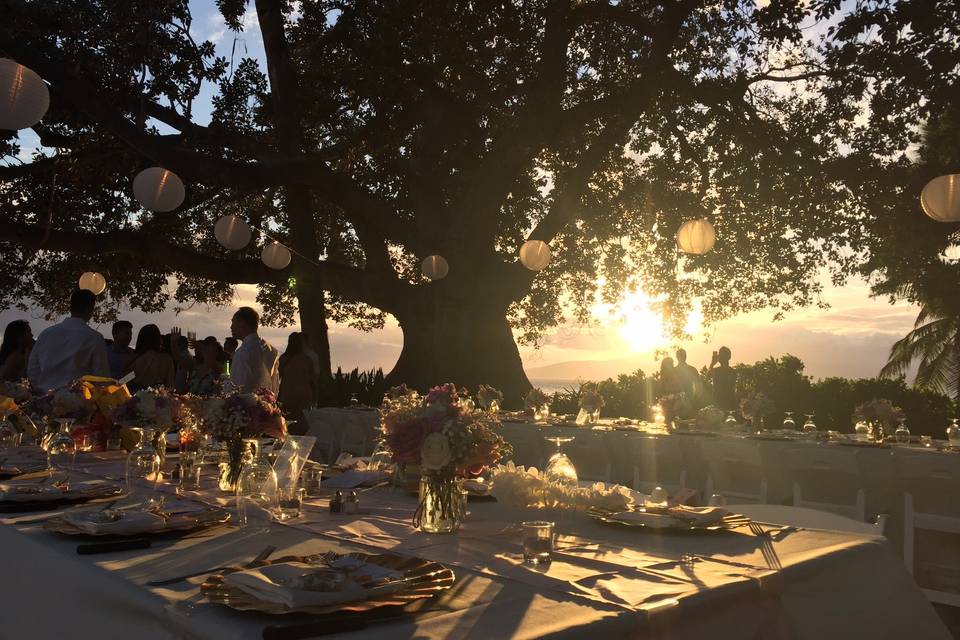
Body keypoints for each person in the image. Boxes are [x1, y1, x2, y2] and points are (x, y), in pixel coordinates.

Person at [27, 289, 110, 390]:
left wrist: (41, 389)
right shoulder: (94, 338)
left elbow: (33, 368)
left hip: (43, 398)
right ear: (90, 309)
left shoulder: (46, 334)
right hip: (77, 400)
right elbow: (100, 377)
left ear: (71, 307)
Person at [229, 307, 280, 393]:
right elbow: (275, 385)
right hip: (268, 403)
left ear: (243, 324)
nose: (231, 327)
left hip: (245, 404)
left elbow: (236, 387)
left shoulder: (243, 352)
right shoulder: (272, 350)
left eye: (233, 322)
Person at [278, 333, 316, 433]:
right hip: (304, 394)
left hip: (287, 394)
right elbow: (312, 378)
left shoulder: (283, 359)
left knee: (287, 424)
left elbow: (279, 376)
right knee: (302, 423)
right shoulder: (307, 360)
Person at [128, 324, 175, 390]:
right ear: (157, 339)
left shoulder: (135, 359)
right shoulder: (167, 359)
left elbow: (124, 381)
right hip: (159, 398)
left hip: (137, 397)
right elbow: (170, 385)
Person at [709, 346, 737, 411]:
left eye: (721, 356)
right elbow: (708, 377)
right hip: (726, 404)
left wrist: (712, 364)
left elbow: (708, 377)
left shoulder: (717, 371)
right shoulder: (733, 371)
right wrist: (712, 364)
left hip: (723, 404)